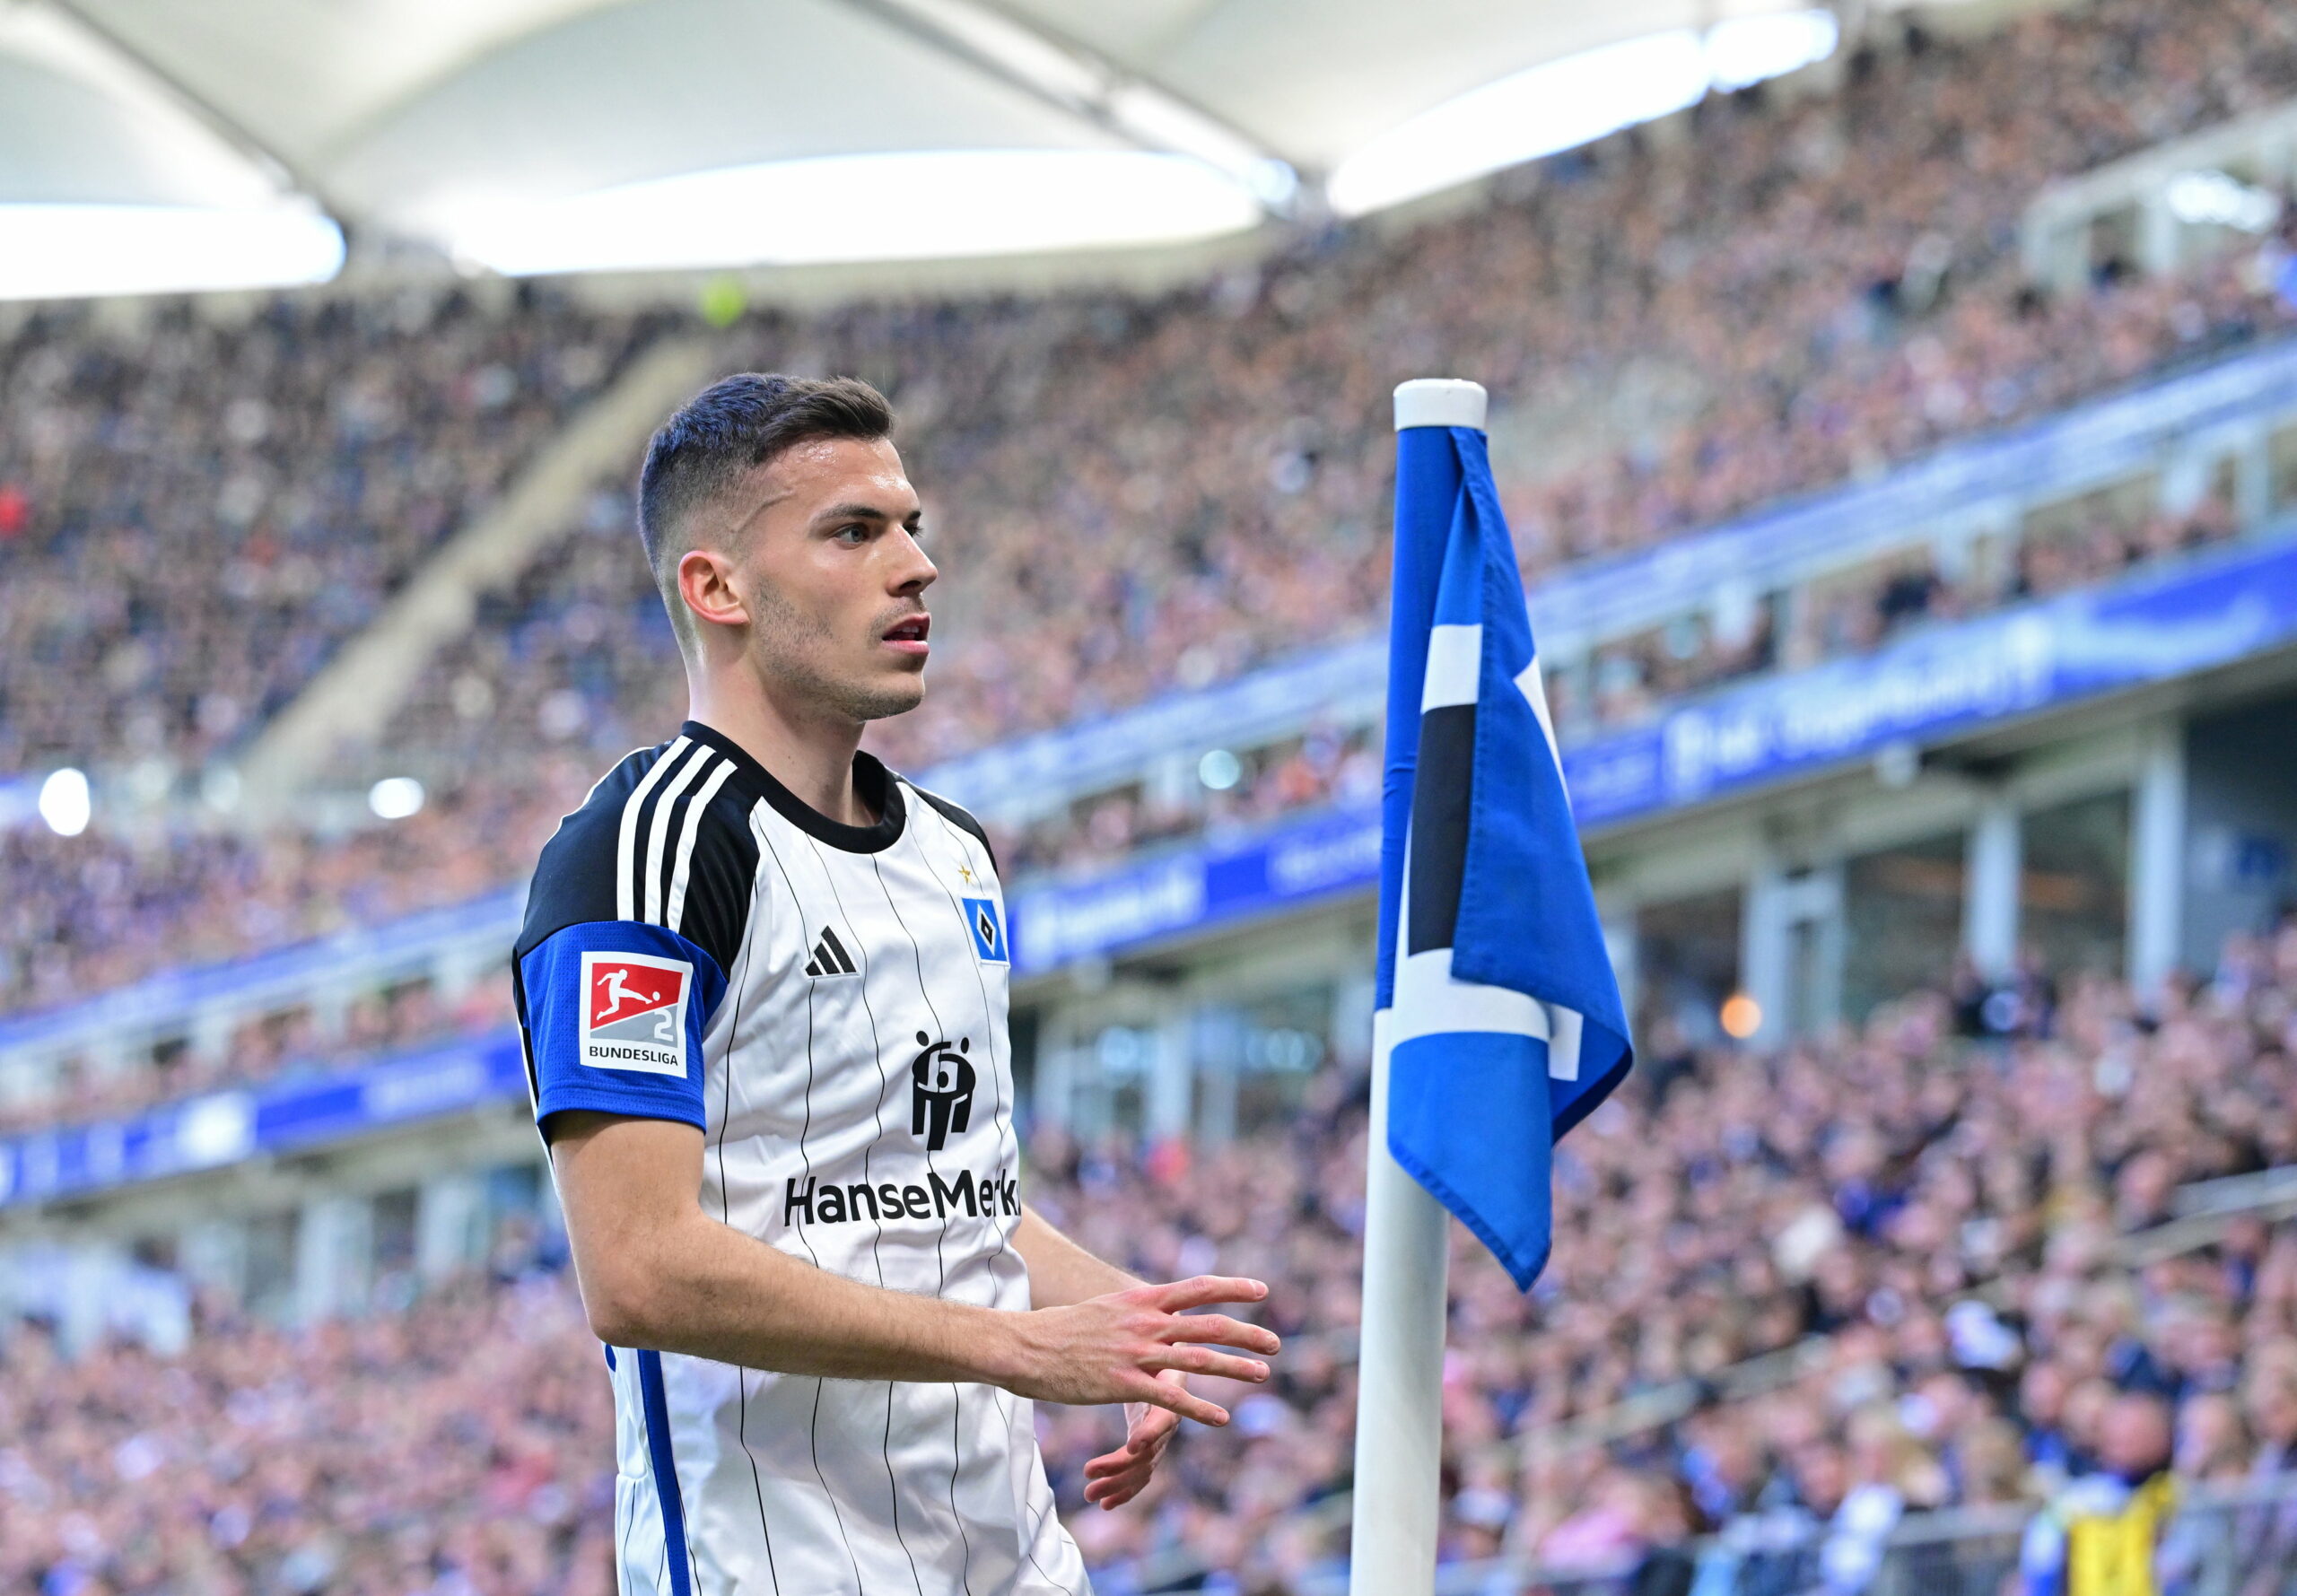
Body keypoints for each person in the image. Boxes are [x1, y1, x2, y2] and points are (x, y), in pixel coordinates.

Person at [512, 373, 1280, 1596]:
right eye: (854, 532)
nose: (917, 565)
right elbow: (638, 1266)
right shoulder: (646, 850)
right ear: (719, 588)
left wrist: (1129, 1324)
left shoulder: (955, 850)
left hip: (1012, 1551)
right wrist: (1021, 1344)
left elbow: (948, 1203)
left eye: (911, 525)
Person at [2018, 1393, 2187, 1596]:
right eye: (2119, 1427)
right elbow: (2041, 1561)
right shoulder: (2073, 1501)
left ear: (2165, 1435)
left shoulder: (2185, 1495)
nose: (2125, 1436)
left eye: (2138, 1430)